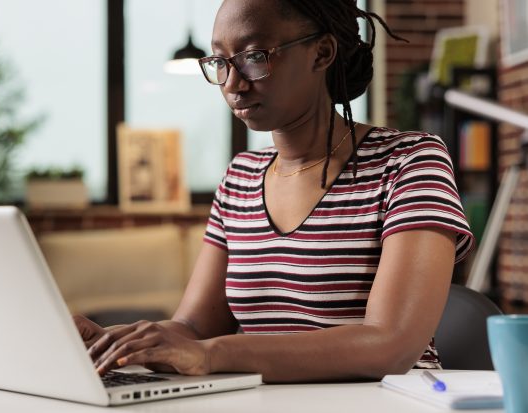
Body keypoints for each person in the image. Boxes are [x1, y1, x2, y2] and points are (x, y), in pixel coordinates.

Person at [74, 0, 474, 383]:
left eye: (253, 56)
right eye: (219, 61)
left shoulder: (408, 161)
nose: (232, 84)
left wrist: (215, 354)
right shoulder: (241, 177)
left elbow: (391, 344)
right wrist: (116, 341)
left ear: (321, 53)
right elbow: (194, 326)